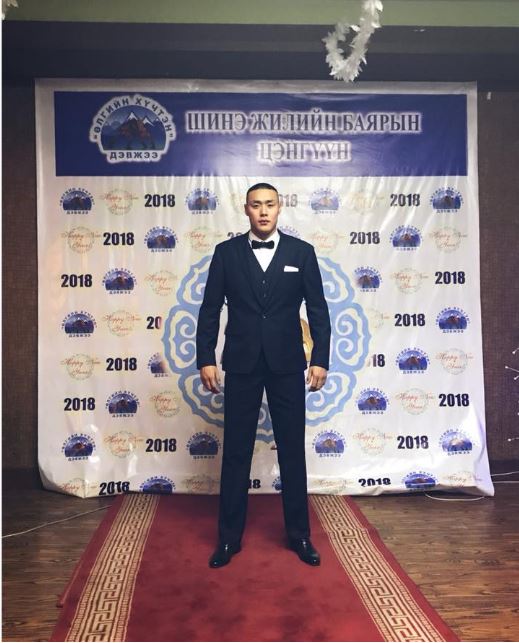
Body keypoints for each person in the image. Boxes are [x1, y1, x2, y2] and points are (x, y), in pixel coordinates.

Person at [196, 183, 331, 568]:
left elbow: (318, 310)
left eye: (269, 204)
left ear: (279, 207)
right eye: (256, 205)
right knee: (236, 451)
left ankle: (300, 535)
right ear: (246, 210)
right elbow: (209, 309)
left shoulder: (302, 253)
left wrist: (320, 359)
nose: (263, 211)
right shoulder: (226, 254)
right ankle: (228, 539)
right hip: (241, 362)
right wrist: (205, 357)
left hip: (288, 362)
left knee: (291, 450)